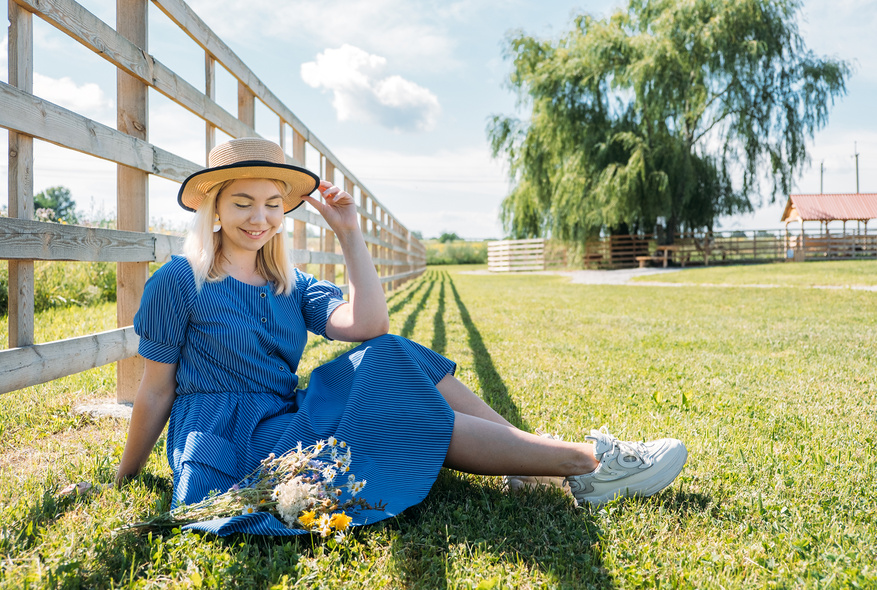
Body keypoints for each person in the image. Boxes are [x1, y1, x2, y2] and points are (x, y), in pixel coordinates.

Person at [114, 137, 687, 536]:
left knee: (392, 353)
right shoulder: (179, 282)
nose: (259, 218)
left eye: (272, 205)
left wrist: (350, 233)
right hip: (233, 440)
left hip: (285, 413)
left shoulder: (289, 282)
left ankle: (528, 462)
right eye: (242, 203)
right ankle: (588, 464)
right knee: (400, 413)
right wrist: (126, 476)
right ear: (213, 208)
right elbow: (156, 390)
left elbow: (369, 327)